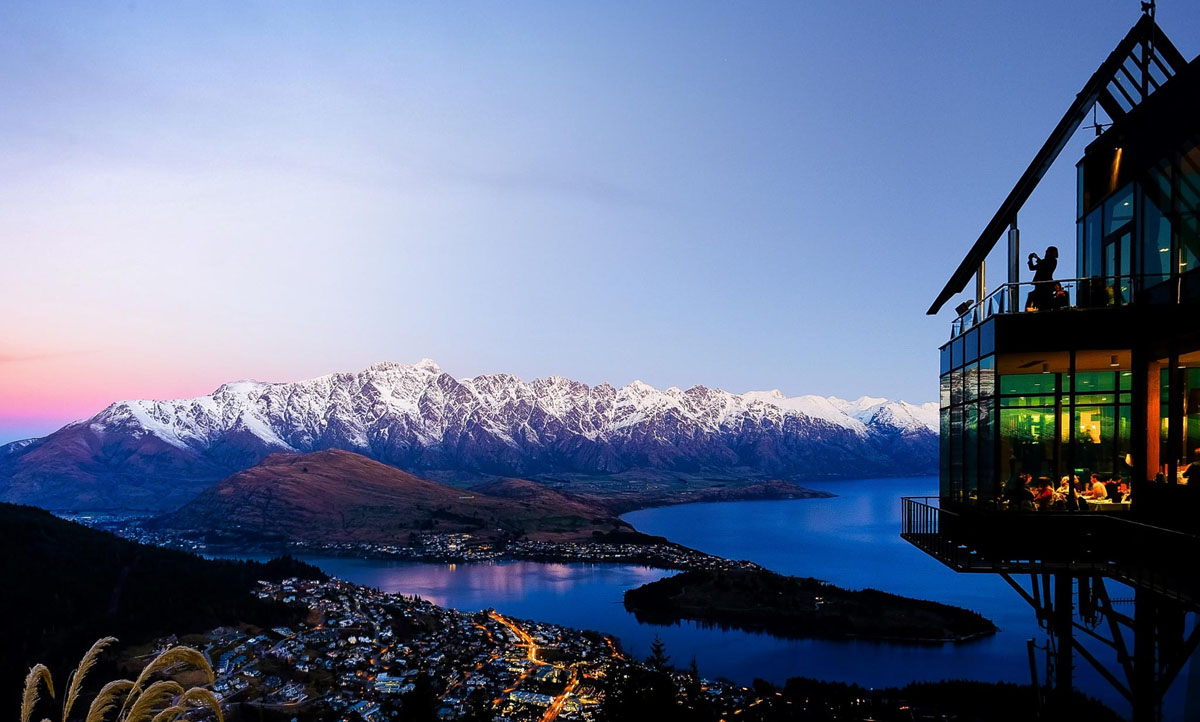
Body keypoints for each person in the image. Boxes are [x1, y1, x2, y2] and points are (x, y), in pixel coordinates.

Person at [1025, 246, 1059, 311]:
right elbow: (1032, 268)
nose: (1046, 252)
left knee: (1042, 299)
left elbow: (1045, 265)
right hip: (1039, 284)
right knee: (1034, 297)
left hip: (1045, 285)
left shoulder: (1053, 261)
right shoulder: (1044, 261)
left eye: (1047, 251)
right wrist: (1030, 259)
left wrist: (1037, 258)